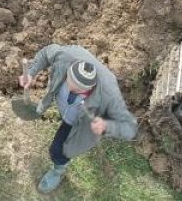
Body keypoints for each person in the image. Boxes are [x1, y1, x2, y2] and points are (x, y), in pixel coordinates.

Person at [19, 44, 138, 194]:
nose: (69, 88)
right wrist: (30, 72)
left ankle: (58, 171)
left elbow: (130, 128)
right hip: (70, 110)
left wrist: (107, 126)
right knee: (66, 102)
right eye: (68, 82)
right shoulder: (66, 55)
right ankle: (65, 115)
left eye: (77, 90)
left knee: (58, 151)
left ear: (91, 88)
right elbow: (45, 54)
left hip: (80, 124)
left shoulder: (110, 94)